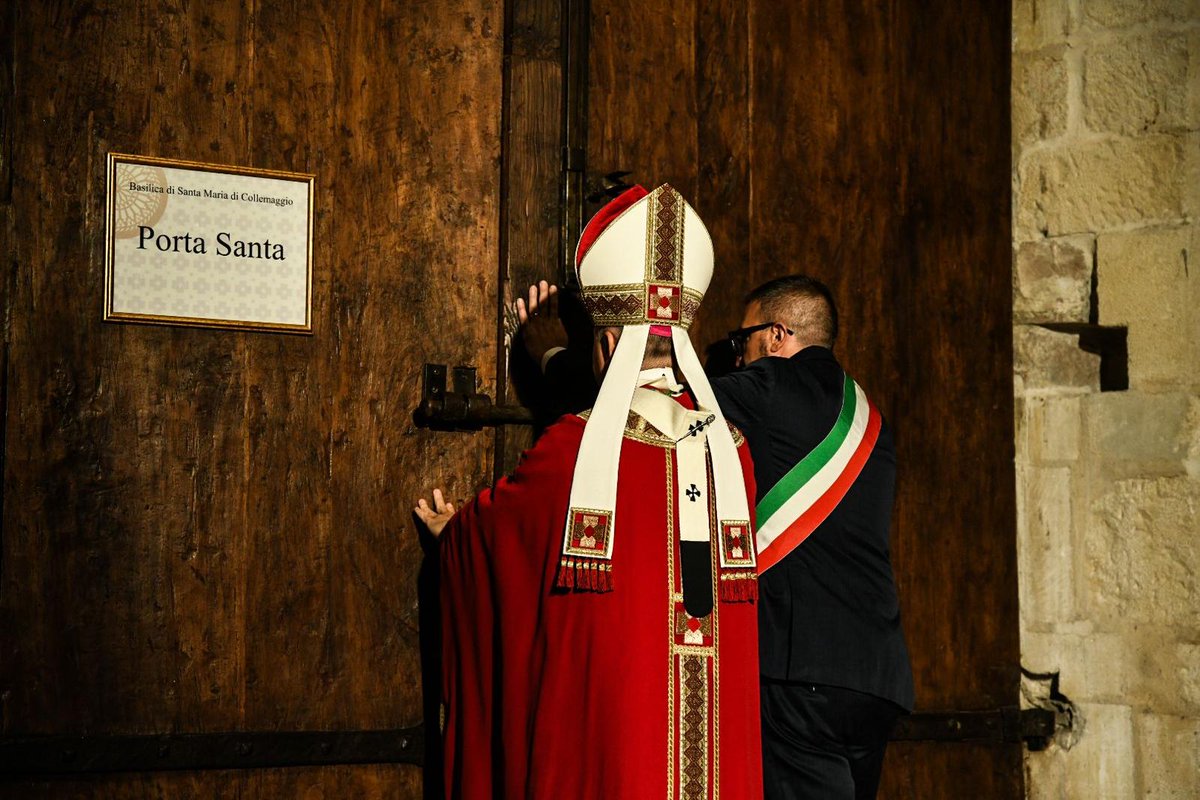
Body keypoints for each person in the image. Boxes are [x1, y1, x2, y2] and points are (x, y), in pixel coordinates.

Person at [416, 184, 764, 799]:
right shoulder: (731, 452)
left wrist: (454, 538)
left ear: (607, 344)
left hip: (615, 749)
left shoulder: (576, 447)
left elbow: (503, 538)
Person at [524, 272, 914, 800]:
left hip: (801, 673)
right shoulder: (870, 415)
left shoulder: (772, 386)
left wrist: (549, 354)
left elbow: (650, 397)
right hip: (876, 677)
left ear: (776, 337)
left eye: (741, 340)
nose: (735, 358)